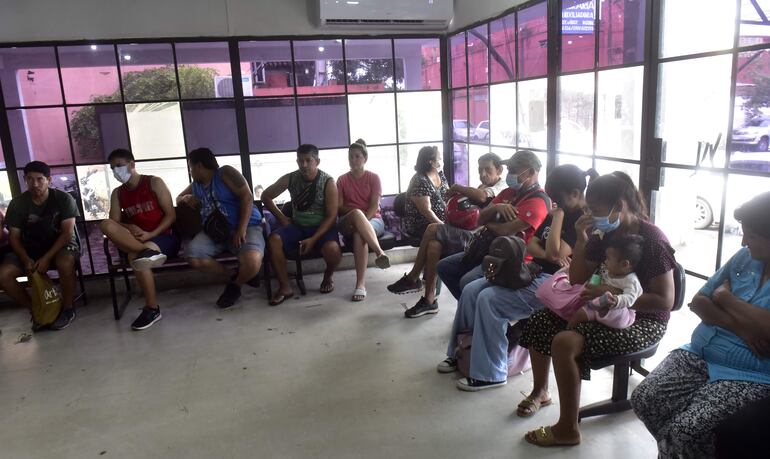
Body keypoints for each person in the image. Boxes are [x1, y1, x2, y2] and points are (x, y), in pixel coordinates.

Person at [518, 171, 676, 447]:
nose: (592, 215)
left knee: (565, 341)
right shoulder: (602, 233)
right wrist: (581, 238)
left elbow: (665, 301)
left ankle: (568, 428)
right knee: (540, 320)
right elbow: (578, 278)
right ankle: (541, 391)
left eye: (598, 211)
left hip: (642, 319)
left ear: (620, 206)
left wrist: (612, 295)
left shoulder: (652, 240)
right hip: (600, 306)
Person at [631, 191, 770, 458]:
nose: (743, 241)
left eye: (751, 235)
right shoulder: (744, 257)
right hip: (700, 352)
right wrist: (742, 326)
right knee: (645, 399)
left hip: (751, 371)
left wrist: (726, 297)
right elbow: (700, 302)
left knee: (688, 431)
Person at [437, 164, 592, 391]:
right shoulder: (560, 210)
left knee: (489, 299)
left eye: (558, 199)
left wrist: (557, 219)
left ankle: (491, 373)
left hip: (555, 283)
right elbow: (533, 245)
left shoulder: (579, 219)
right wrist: (549, 248)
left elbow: (555, 254)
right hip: (533, 270)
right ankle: (460, 352)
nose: (554, 203)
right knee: (471, 290)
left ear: (576, 193)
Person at [387, 152, 506, 312]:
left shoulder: (501, 187)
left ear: (499, 170)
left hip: (479, 239)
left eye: (487, 169)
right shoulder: (482, 186)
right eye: (479, 170)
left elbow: (482, 197)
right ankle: (429, 301)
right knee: (434, 245)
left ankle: (413, 277)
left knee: (432, 229)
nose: (482, 174)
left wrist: (457, 188)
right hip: (470, 233)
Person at [435, 150, 550, 308]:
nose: (509, 174)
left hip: (511, 259)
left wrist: (490, 222)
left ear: (530, 172)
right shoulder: (509, 192)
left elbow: (505, 231)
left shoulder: (538, 201)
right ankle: (471, 310)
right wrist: (497, 208)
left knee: (467, 281)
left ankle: (472, 313)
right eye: (509, 170)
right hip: (488, 248)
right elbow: (480, 218)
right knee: (444, 266)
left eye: (514, 170)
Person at [99, 148, 179, 330]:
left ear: (132, 164)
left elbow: (171, 216)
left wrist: (150, 234)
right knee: (105, 224)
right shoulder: (118, 193)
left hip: (162, 236)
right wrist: (129, 227)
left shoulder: (153, 183)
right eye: (112, 168)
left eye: (119, 166)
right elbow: (114, 223)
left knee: (136, 258)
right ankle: (145, 252)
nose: (115, 171)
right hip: (134, 240)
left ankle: (152, 308)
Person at [177, 148, 264, 309]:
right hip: (214, 232)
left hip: (246, 226)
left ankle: (235, 286)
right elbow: (178, 198)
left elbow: (247, 196)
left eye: (191, 167)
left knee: (252, 261)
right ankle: (234, 274)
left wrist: (241, 229)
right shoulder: (195, 185)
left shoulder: (225, 173)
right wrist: (185, 197)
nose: (190, 172)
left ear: (199, 166)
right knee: (192, 256)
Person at [0, 161, 80, 330]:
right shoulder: (17, 204)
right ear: (25, 180)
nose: (34, 184)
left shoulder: (63, 199)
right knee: (4, 275)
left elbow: (67, 234)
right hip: (29, 248)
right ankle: (36, 310)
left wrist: (46, 258)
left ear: (49, 180)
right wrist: (25, 259)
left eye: (39, 179)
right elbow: (14, 238)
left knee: (65, 263)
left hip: (60, 246)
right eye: (30, 179)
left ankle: (67, 309)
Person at [262, 144, 341, 305]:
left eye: (308, 160)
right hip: (298, 226)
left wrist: (313, 239)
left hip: (322, 228)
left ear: (317, 161)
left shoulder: (328, 182)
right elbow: (266, 196)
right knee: (273, 240)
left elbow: (332, 216)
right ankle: (285, 287)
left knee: (333, 249)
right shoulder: (291, 178)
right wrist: (283, 218)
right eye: (300, 161)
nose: (304, 165)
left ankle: (328, 276)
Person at [336, 139, 390, 302]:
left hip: (374, 220)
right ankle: (379, 252)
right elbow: (339, 207)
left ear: (365, 158)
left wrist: (362, 221)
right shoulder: (342, 180)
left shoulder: (374, 178)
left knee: (360, 234)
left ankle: (360, 285)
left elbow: (374, 206)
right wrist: (357, 215)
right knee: (357, 215)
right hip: (347, 221)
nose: (353, 160)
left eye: (357, 156)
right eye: (350, 157)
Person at [565, 234, 644, 330]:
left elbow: (630, 298)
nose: (605, 261)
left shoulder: (631, 281)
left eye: (609, 259)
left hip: (621, 314)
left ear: (624, 264)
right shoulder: (608, 271)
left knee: (607, 301)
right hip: (599, 306)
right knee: (579, 314)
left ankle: (600, 308)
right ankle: (568, 329)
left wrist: (616, 301)